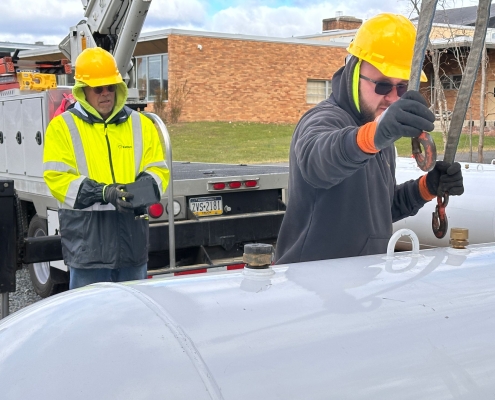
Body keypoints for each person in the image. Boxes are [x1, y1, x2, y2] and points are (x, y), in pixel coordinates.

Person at [275, 13, 464, 264]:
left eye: (402, 87)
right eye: (382, 85)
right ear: (354, 73)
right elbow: (317, 161)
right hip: (311, 282)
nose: (393, 98)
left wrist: (427, 187)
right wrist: (376, 134)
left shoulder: (377, 134)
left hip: (364, 281)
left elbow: (380, 211)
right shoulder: (324, 119)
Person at [43, 47, 170, 289]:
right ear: (82, 91)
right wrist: (103, 193)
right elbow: (57, 178)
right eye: (98, 89)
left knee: (134, 320)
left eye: (110, 87)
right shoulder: (62, 127)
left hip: (131, 244)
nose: (105, 94)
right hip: (88, 248)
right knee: (91, 321)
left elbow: (158, 171)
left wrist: (139, 192)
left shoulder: (141, 124)